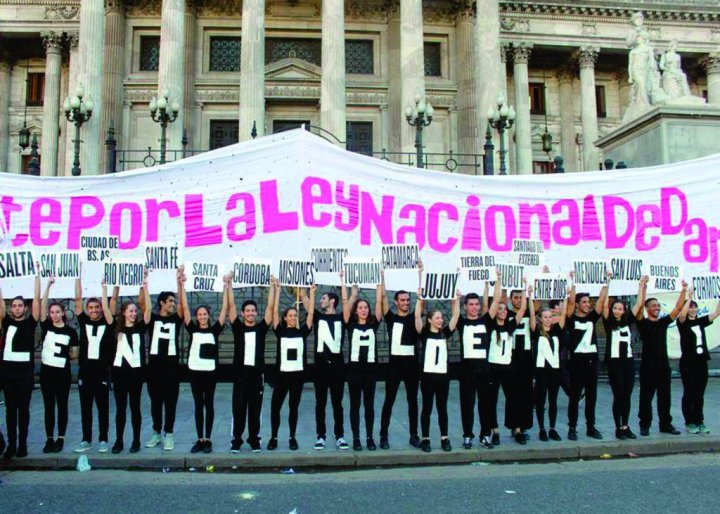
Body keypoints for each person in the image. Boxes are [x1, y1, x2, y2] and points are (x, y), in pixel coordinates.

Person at [181, 270, 229, 454]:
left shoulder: (215, 330)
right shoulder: (192, 329)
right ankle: (199, 438)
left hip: (210, 373)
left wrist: (225, 288)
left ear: (208, 316)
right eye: (199, 314)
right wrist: (183, 286)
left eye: (204, 314)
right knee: (197, 404)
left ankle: (208, 438)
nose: (202, 316)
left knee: (209, 403)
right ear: (196, 316)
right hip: (195, 372)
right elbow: (184, 309)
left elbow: (224, 311)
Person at [378, 261, 424, 450]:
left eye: (408, 300)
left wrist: (421, 273)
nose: (406, 302)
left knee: (413, 402)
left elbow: (421, 298)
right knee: (389, 400)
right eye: (402, 300)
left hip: (412, 366)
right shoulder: (391, 317)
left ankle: (414, 435)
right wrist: (381, 277)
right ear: (396, 302)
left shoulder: (415, 318)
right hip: (394, 366)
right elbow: (382, 298)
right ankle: (383, 435)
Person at [228, 276, 276, 453]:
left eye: (252, 311)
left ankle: (254, 439)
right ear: (243, 314)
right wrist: (229, 285)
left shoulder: (261, 329)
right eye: (247, 311)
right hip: (240, 376)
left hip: (257, 377)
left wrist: (272, 287)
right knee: (238, 410)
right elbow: (231, 307)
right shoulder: (238, 328)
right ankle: (236, 440)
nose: (250, 313)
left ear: (256, 313)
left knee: (255, 411)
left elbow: (270, 308)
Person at [73, 266, 118, 454]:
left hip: (101, 371)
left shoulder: (107, 323)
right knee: (85, 407)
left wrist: (107, 288)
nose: (93, 310)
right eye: (90, 307)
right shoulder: (83, 321)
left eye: (96, 307)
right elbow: (77, 299)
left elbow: (113, 301)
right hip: (85, 371)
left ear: (101, 308)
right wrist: (77, 275)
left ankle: (103, 439)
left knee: (102, 406)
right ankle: (86, 439)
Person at [106, 272, 152, 454]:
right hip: (119, 374)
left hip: (136, 374)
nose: (134, 313)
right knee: (120, 409)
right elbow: (107, 306)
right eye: (131, 311)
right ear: (123, 312)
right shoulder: (116, 327)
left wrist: (145, 287)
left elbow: (148, 309)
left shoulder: (140, 327)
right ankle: (118, 440)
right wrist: (106, 288)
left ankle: (136, 440)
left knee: (135, 408)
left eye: (135, 311)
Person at [268, 284, 316, 451]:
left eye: (295, 315)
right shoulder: (280, 331)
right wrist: (278, 291)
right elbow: (273, 312)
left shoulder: (302, 332)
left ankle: (292, 437)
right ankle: (273, 437)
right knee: (275, 407)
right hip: (281, 377)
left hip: (297, 377)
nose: (294, 318)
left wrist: (311, 293)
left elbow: (311, 313)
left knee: (293, 408)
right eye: (291, 315)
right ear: (285, 318)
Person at [140, 272, 185, 452]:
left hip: (172, 369)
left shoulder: (175, 319)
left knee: (171, 403)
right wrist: (144, 285)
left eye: (174, 301)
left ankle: (169, 433)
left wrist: (179, 282)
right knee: (155, 402)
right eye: (170, 301)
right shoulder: (153, 319)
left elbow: (182, 306)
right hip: (154, 369)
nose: (173, 304)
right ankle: (156, 432)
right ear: (161, 303)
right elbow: (143, 305)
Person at [636, 281, 687, 436]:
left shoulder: (663, 323)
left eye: (658, 306)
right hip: (647, 368)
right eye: (654, 306)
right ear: (647, 308)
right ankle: (644, 425)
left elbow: (678, 309)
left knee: (665, 398)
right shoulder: (643, 323)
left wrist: (684, 290)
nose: (657, 308)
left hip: (663, 368)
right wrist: (642, 288)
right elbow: (638, 309)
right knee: (646, 398)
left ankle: (665, 425)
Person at [302, 284, 348, 451]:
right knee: (320, 403)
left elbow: (350, 299)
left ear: (332, 301)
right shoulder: (318, 317)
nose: (321, 301)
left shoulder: (342, 317)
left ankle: (340, 435)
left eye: (323, 298)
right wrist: (306, 290)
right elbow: (305, 300)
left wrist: (346, 283)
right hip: (320, 367)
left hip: (338, 367)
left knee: (338, 403)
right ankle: (320, 436)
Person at [0, 268, 40, 459]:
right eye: (14, 305)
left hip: (24, 374)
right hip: (7, 374)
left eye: (20, 305)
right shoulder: (6, 322)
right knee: (10, 410)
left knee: (23, 410)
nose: (16, 308)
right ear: (10, 309)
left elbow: (38, 300)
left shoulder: (30, 323)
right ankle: (11, 445)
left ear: (25, 308)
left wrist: (37, 277)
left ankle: (23, 444)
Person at [414, 286, 460, 453]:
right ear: (430, 320)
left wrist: (456, 299)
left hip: (442, 377)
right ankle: (425, 438)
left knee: (442, 408)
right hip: (427, 377)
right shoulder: (424, 333)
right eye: (438, 318)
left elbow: (455, 316)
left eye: (441, 318)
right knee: (427, 408)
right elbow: (417, 316)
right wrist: (419, 299)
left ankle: (444, 437)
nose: (441, 320)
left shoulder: (444, 334)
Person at [564, 273, 610, 441]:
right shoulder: (572, 318)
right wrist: (573, 281)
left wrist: (607, 281)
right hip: (577, 363)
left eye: (588, 302)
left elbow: (601, 300)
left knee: (592, 398)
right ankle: (572, 427)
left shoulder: (592, 317)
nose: (587, 304)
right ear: (577, 305)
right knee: (575, 397)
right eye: (583, 302)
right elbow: (569, 302)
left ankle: (591, 427)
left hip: (592, 362)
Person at [340, 270, 382, 451]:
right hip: (354, 371)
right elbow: (344, 303)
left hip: (371, 371)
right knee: (355, 405)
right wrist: (343, 282)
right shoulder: (350, 324)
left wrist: (380, 281)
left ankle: (369, 437)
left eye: (366, 307)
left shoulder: (374, 324)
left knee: (369, 406)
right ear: (356, 311)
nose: (364, 310)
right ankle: (356, 437)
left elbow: (380, 302)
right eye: (360, 307)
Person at [458, 279, 501, 450]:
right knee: (467, 405)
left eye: (477, 304)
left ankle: (485, 435)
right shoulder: (461, 322)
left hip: (484, 370)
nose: (474, 307)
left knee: (486, 404)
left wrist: (497, 280)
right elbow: (454, 313)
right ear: (465, 306)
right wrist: (456, 297)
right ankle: (467, 435)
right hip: (467, 371)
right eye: (471, 304)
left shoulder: (485, 321)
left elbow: (496, 301)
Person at [39, 275, 79, 454]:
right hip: (46, 373)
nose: (54, 314)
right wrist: (48, 285)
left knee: (62, 405)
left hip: (62, 373)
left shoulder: (71, 332)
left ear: (63, 313)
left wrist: (64, 357)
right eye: (52, 312)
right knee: (48, 407)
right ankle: (49, 438)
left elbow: (74, 354)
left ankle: (60, 438)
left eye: (57, 311)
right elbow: (41, 305)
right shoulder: (46, 326)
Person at [602, 278, 646, 440]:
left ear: (624, 310)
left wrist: (641, 286)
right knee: (618, 395)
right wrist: (607, 283)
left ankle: (626, 425)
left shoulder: (628, 321)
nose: (617, 311)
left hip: (628, 363)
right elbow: (604, 306)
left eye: (620, 309)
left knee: (627, 396)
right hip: (614, 364)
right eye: (615, 308)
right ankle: (617, 427)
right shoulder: (608, 322)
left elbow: (639, 303)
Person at [487, 274, 527, 445]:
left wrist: (525, 287)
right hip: (492, 368)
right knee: (492, 399)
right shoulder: (490, 325)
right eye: (500, 309)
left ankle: (517, 429)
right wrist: (498, 281)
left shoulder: (511, 326)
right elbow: (496, 300)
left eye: (505, 309)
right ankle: (494, 429)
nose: (503, 311)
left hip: (508, 368)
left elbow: (523, 310)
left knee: (514, 398)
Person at [676, 287, 720, 434]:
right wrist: (689, 298)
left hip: (701, 361)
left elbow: (717, 313)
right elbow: (682, 315)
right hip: (688, 363)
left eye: (695, 307)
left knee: (700, 393)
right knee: (689, 392)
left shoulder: (700, 322)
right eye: (690, 307)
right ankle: (689, 422)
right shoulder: (682, 323)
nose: (693, 309)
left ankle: (699, 420)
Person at [528, 286, 568, 442]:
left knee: (553, 400)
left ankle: (552, 428)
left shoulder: (557, 330)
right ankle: (542, 429)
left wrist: (565, 294)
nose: (548, 319)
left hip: (555, 371)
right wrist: (530, 296)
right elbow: (531, 314)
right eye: (545, 317)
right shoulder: (536, 331)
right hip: (541, 371)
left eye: (550, 317)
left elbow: (564, 313)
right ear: (540, 319)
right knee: (541, 400)